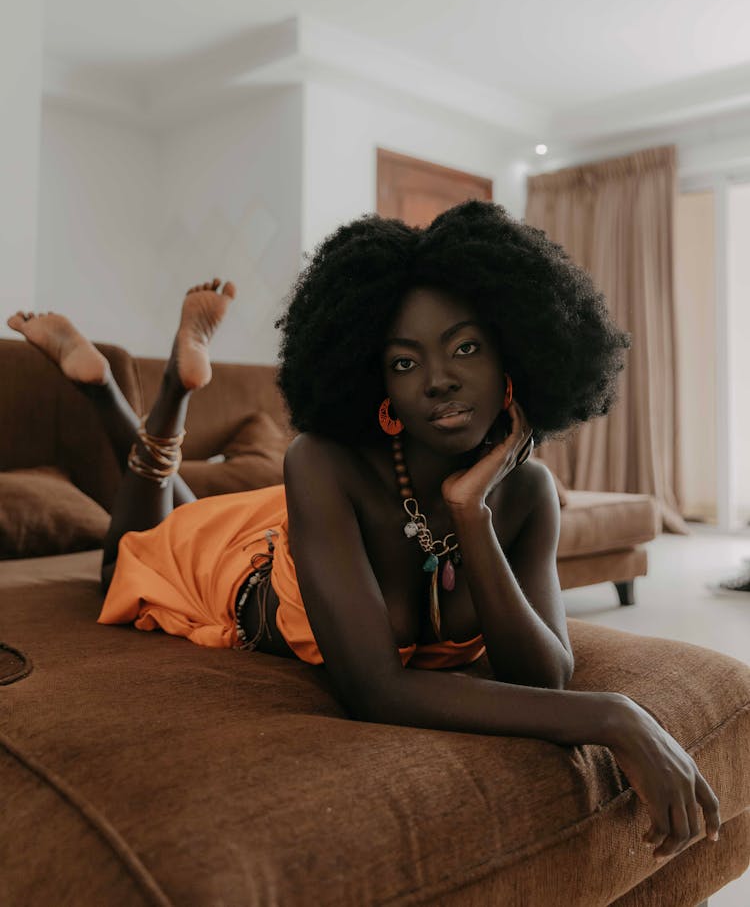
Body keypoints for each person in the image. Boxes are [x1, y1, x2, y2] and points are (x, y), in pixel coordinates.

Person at [8, 199, 720, 861]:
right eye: (405, 362)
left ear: (512, 357)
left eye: (465, 349)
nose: (437, 379)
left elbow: (545, 674)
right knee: (128, 560)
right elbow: (374, 689)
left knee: (181, 508)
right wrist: (614, 719)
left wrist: (472, 514)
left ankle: (148, 386)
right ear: (380, 387)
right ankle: (126, 388)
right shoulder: (318, 460)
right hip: (243, 571)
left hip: (303, 530)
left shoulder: (528, 492)